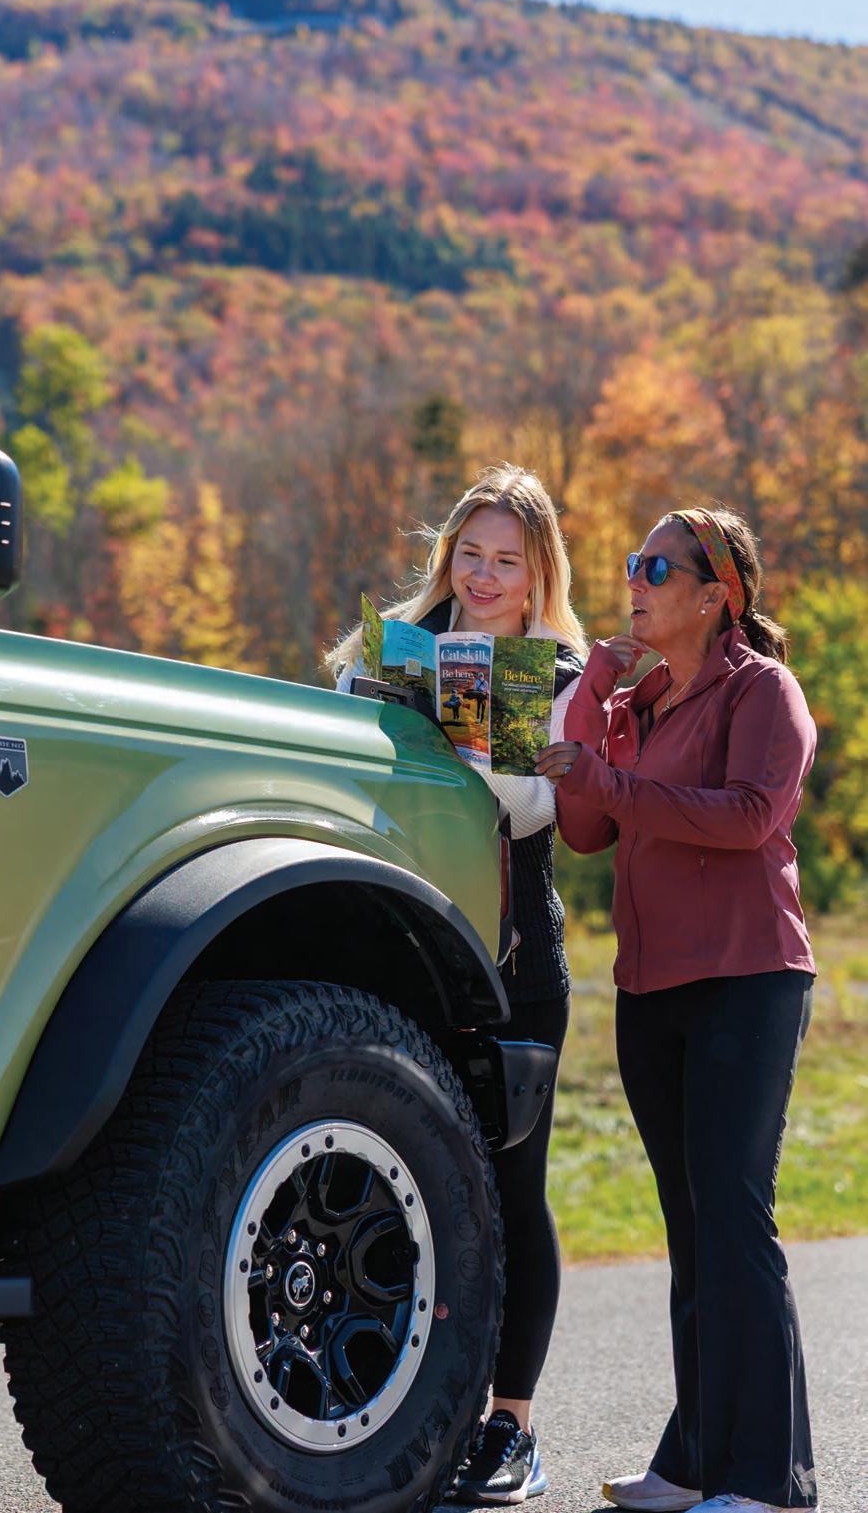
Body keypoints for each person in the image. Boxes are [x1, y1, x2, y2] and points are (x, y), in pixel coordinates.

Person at [538, 507, 819, 1513]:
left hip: (747, 977)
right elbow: (582, 828)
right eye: (632, 562)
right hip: (650, 987)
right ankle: (696, 1459)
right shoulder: (635, 699)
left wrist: (609, 778)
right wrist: (591, 698)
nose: (634, 578)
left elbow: (749, 816)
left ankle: (768, 1478)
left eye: (656, 567)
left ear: (714, 595)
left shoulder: (763, 691)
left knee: (734, 1218)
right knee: (691, 1223)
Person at [328, 463, 587, 1505]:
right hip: (391, 953)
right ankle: (388, 1408)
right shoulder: (388, 648)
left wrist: (467, 723)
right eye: (469, 554)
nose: (483, 576)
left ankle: (509, 1426)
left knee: (510, 1193)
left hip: (513, 962)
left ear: (536, 575)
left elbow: (530, 812)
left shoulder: (563, 675)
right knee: (392, 1182)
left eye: (505, 562)